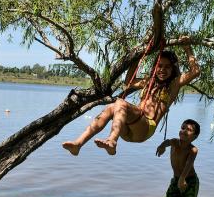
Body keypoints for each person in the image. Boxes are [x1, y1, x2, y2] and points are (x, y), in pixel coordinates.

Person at [61, 38, 200, 156]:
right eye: (160, 66)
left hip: (145, 128)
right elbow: (128, 82)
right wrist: (137, 57)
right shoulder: (148, 81)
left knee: (120, 102)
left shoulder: (173, 85)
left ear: (173, 69)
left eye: (167, 67)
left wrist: (187, 48)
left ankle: (112, 141)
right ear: (155, 67)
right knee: (111, 107)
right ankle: (78, 144)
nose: (162, 70)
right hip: (128, 129)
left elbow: (195, 71)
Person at [155, 119, 201, 197]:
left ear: (194, 137)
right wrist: (161, 146)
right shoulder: (175, 142)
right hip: (176, 179)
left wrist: (182, 179)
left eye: (189, 130)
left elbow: (188, 165)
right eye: (183, 128)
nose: (184, 131)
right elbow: (167, 142)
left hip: (190, 181)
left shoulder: (193, 150)